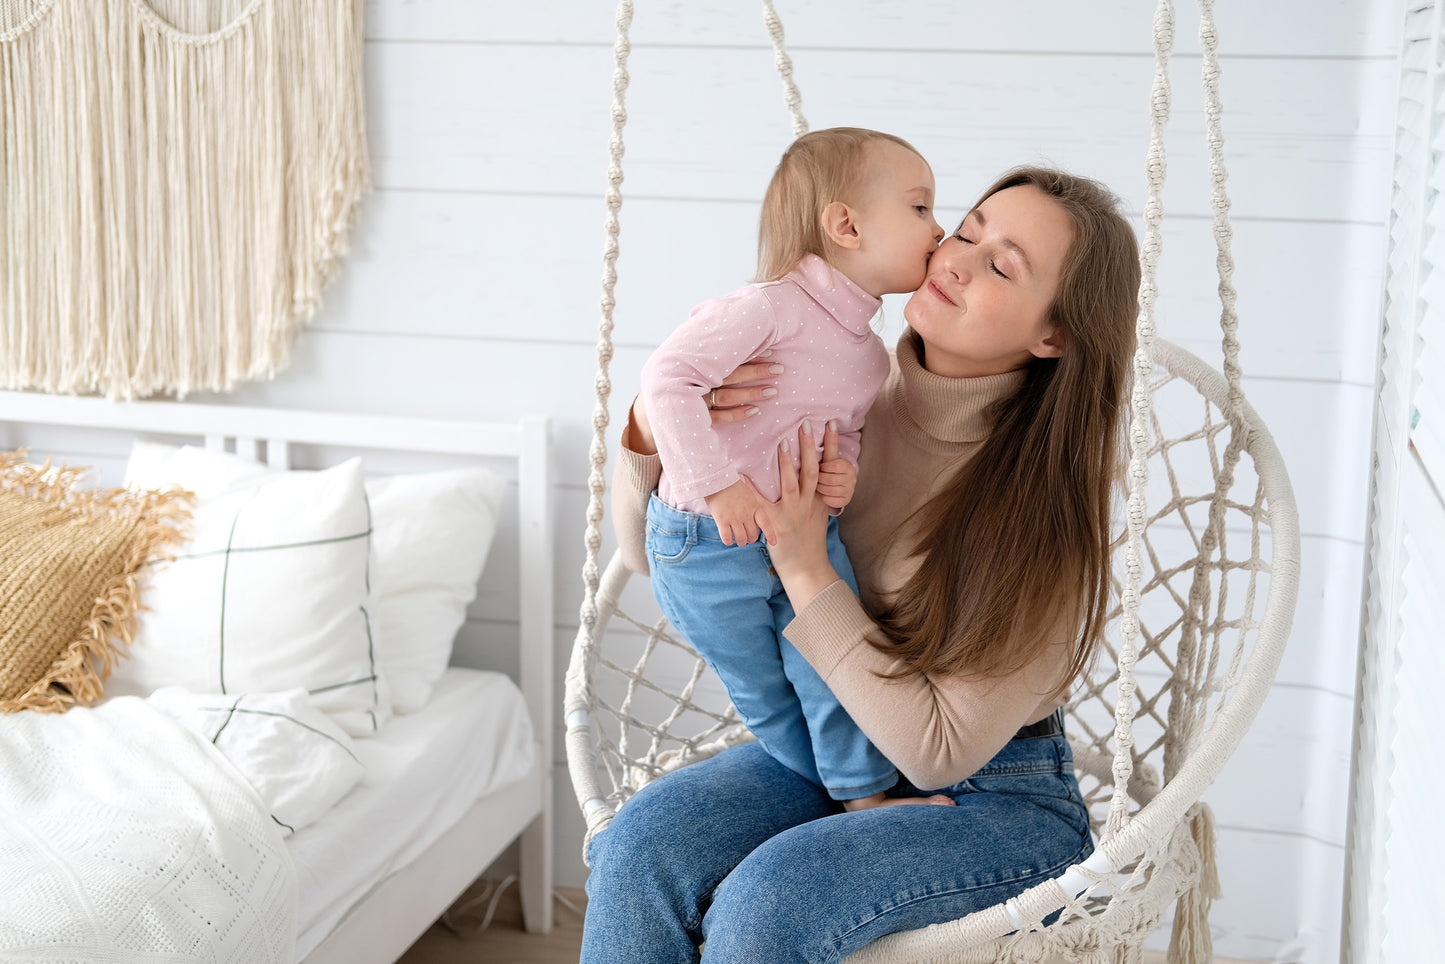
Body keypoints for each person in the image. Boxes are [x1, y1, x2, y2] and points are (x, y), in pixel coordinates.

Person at [583, 165, 1141, 963]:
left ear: (1052, 335)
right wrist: (650, 428)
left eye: (1001, 265)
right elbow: (645, 557)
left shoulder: (1045, 509)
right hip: (836, 747)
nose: (956, 259)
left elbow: (937, 751)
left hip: (996, 797)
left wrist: (806, 569)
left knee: (769, 902)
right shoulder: (834, 394)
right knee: (642, 845)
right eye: (966, 231)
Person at [639, 127, 946, 809]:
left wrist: (843, 471)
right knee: (761, 690)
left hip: (807, 536)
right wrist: (718, 487)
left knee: (828, 670)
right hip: (707, 544)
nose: (938, 228)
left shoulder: (870, 356)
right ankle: (818, 794)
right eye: (921, 208)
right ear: (844, 224)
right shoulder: (767, 308)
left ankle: (860, 796)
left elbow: (845, 433)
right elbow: (666, 382)